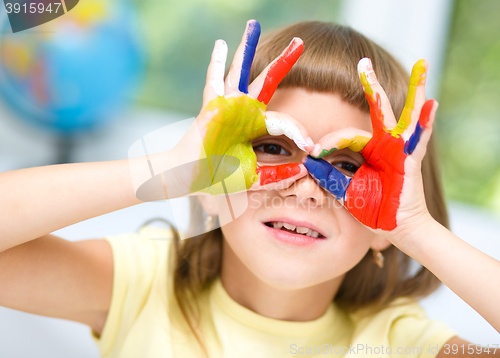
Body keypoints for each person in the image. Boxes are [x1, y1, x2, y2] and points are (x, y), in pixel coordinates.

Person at [0, 20, 499, 358]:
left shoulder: (399, 344)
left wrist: (414, 228)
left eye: (347, 165)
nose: (306, 189)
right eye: (274, 147)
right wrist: (171, 168)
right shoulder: (140, 286)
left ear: (383, 229)